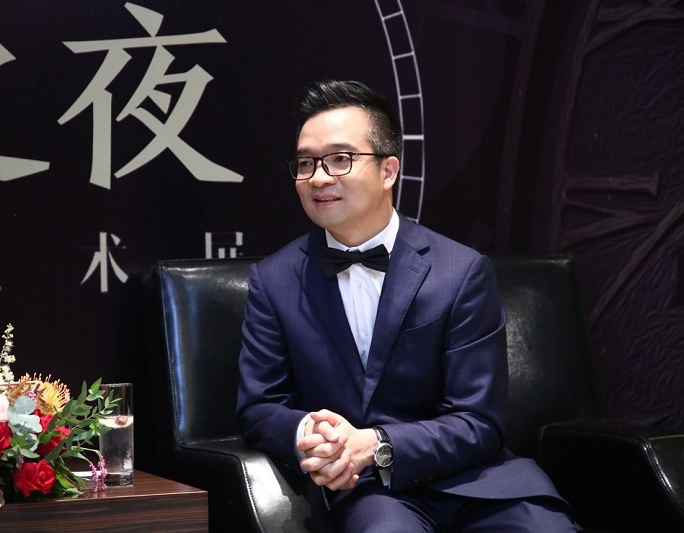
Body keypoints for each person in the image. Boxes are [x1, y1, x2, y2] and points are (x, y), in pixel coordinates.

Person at [236, 79, 577, 531]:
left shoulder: (461, 270)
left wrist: (378, 443)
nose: (318, 178)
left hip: (479, 482)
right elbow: (259, 408)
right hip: (367, 490)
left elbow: (479, 421)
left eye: (340, 159)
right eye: (305, 163)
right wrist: (316, 438)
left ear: (388, 171)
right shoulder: (274, 280)